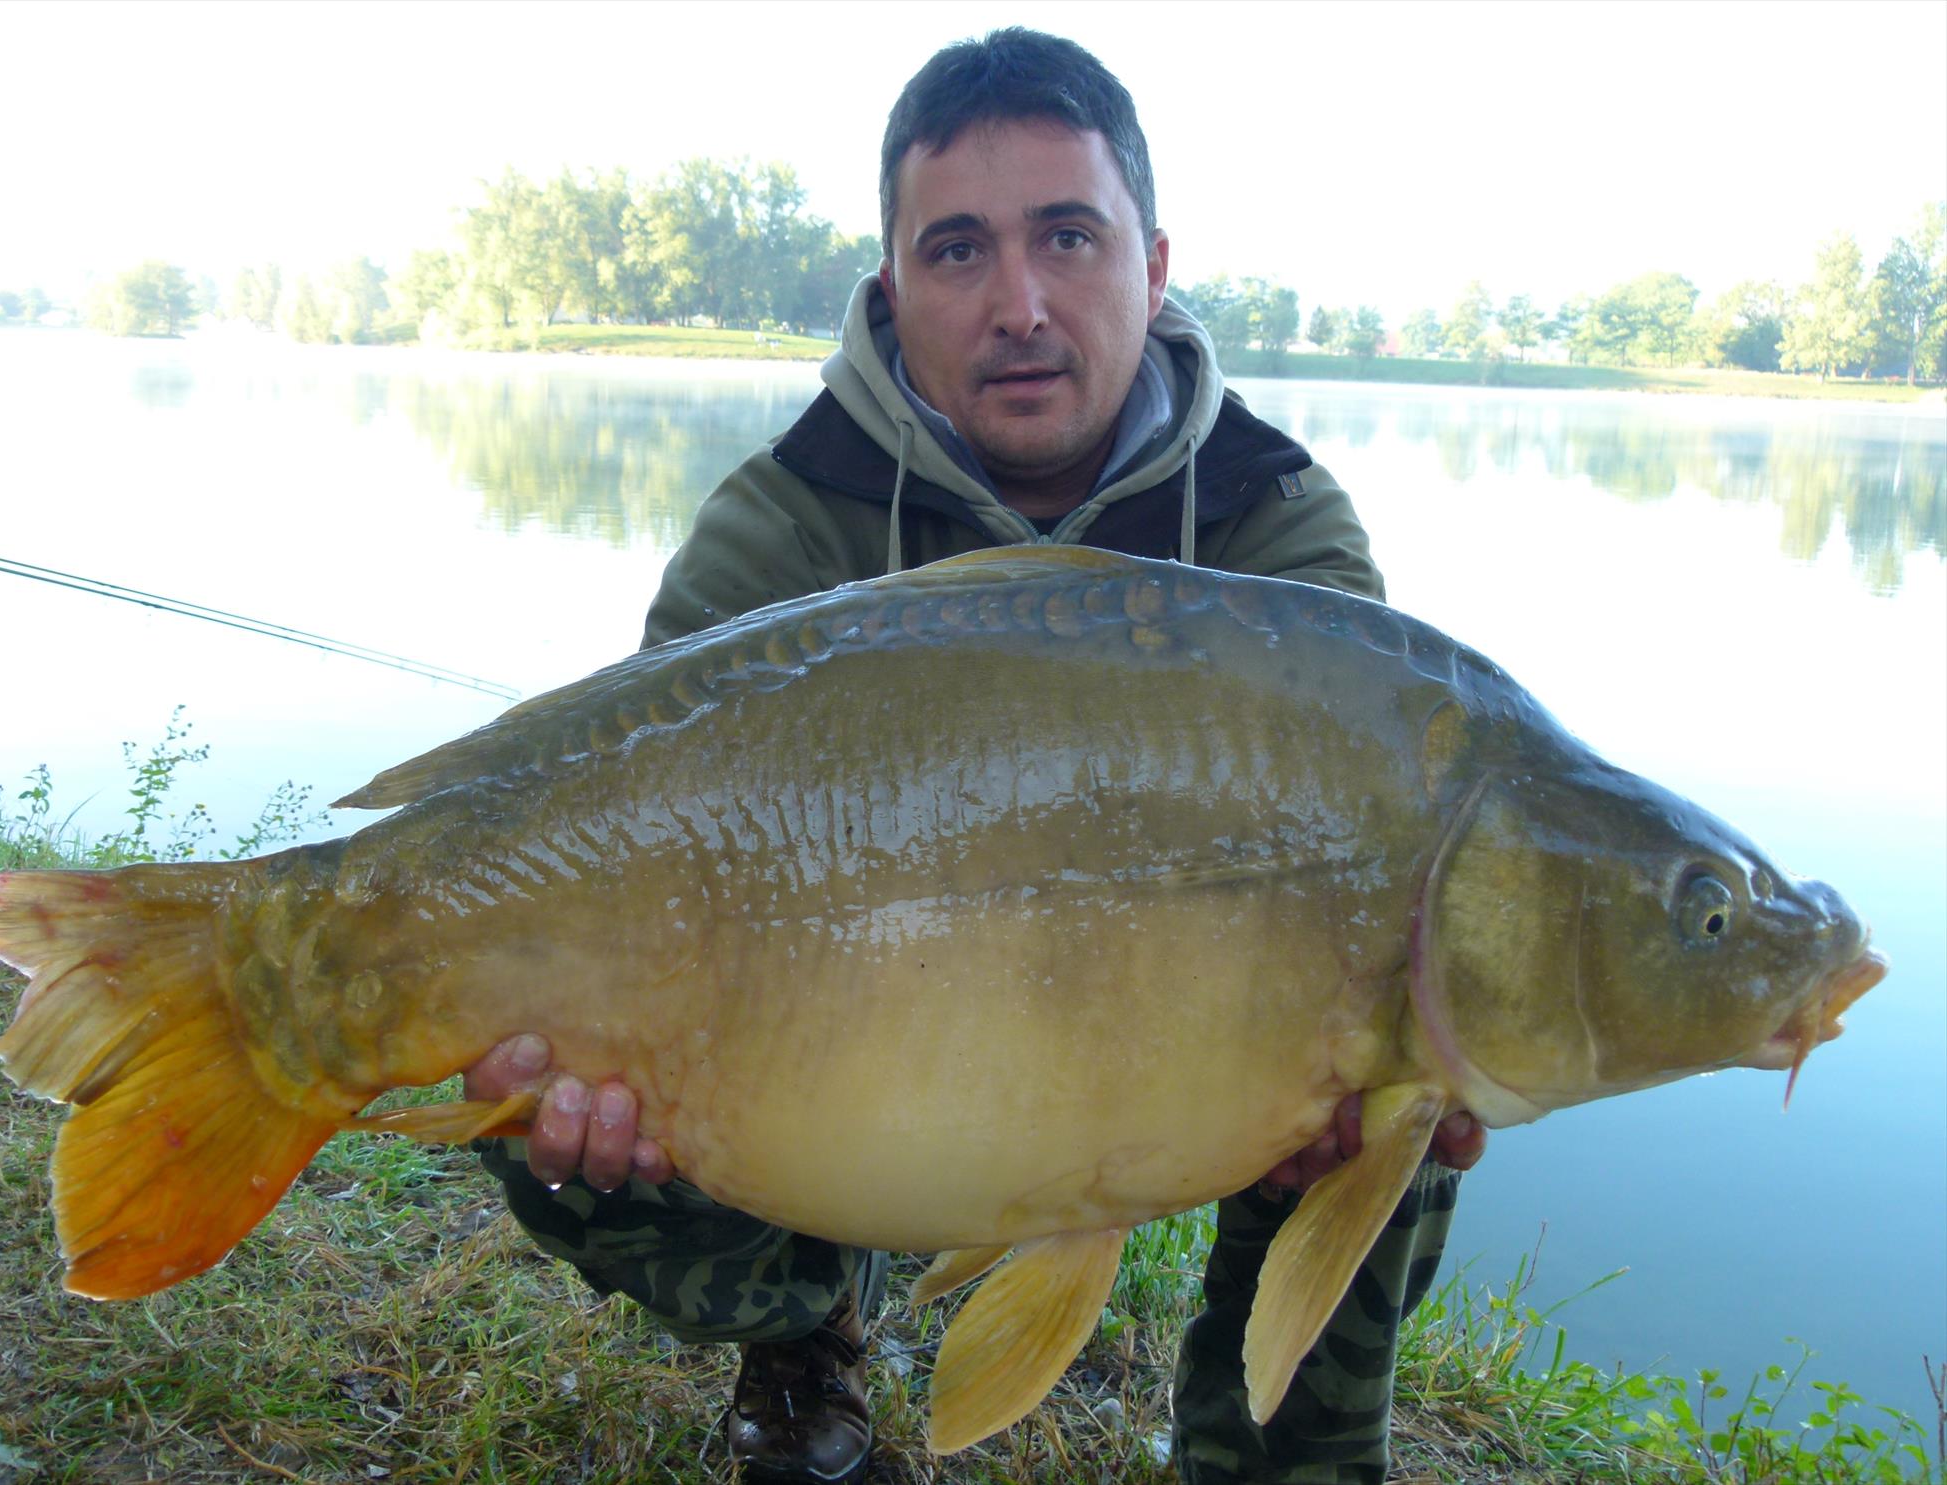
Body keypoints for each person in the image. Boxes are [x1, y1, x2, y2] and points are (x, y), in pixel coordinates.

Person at [464, 28, 1484, 1485]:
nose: (1020, 303)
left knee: (1419, 1075)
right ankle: (809, 1326)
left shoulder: (1280, 533)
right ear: (892, 289)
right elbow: (639, 857)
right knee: (550, 1078)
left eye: (1069, 236)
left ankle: (1279, 1457)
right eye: (958, 251)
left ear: (1155, 260)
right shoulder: (783, 525)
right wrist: (600, 1055)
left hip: (1174, 1047)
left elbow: (1371, 870)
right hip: (858, 1028)